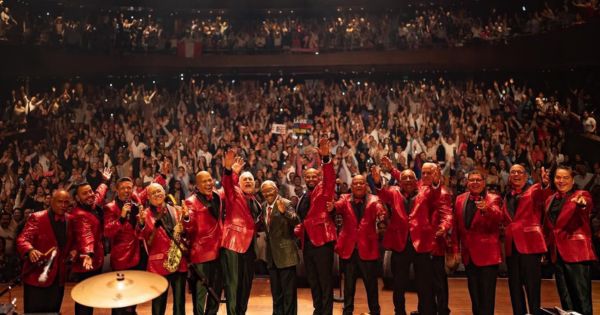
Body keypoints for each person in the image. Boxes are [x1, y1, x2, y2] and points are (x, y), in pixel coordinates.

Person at [371, 164, 440, 315]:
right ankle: (399, 312)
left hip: (421, 245)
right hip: (399, 245)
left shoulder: (426, 191)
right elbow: (382, 194)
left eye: (411, 177)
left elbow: (436, 194)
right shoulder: (393, 192)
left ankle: (426, 312)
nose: (408, 180)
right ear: (399, 182)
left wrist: (436, 182)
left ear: (417, 180)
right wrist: (377, 182)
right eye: (404, 178)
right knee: (398, 285)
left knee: (424, 285)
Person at [544, 165, 596, 315]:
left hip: (577, 254)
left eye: (565, 177)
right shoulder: (550, 199)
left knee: (581, 299)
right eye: (558, 177)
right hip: (557, 254)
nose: (561, 181)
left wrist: (582, 204)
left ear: (572, 180)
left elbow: (585, 205)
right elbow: (549, 227)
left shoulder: (581, 194)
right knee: (565, 299)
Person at [294, 138, 337, 315]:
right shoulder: (303, 196)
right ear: (304, 179)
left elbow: (330, 177)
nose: (311, 178)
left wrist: (325, 159)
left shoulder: (324, 189)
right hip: (308, 244)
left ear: (319, 177)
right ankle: (318, 310)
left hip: (322, 241)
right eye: (308, 176)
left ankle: (326, 312)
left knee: (325, 281)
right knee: (313, 280)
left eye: (314, 176)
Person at [452, 170, 503, 315]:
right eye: (471, 180)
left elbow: (499, 217)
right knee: (475, 297)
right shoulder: (460, 199)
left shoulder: (493, 198)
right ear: (467, 182)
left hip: (488, 256)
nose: (474, 183)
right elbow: (456, 227)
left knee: (487, 298)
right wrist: (455, 250)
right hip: (468, 256)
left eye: (478, 180)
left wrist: (487, 210)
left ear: (484, 182)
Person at [16, 189, 74, 313]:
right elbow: (22, 239)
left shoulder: (70, 219)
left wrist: (74, 251)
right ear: (51, 201)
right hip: (36, 276)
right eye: (60, 202)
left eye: (66, 202)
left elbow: (72, 243)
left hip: (58, 277)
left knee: (53, 311)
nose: (63, 206)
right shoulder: (37, 217)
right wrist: (30, 250)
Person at [333, 174, 384, 315]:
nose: (359, 185)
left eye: (362, 183)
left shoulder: (374, 200)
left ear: (366, 186)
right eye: (355, 183)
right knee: (349, 287)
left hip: (368, 249)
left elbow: (380, 210)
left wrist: (382, 216)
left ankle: (375, 312)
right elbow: (335, 207)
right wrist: (332, 204)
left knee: (371, 286)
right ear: (351, 186)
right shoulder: (344, 199)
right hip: (349, 251)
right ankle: (347, 312)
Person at [502, 164, 550, 315]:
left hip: (530, 245)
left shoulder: (534, 190)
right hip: (512, 246)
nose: (516, 174)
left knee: (532, 287)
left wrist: (545, 184)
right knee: (515, 288)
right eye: (513, 172)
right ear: (509, 176)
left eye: (519, 172)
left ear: (526, 175)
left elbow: (544, 194)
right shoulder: (507, 195)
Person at [137, 183, 188, 315]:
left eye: (159, 191)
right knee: (158, 305)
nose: (157, 194)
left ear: (164, 192)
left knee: (179, 302)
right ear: (148, 197)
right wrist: (141, 224)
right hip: (158, 265)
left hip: (178, 260)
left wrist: (185, 220)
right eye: (153, 193)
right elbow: (141, 236)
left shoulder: (176, 209)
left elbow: (187, 232)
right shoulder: (146, 214)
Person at [221, 149, 260, 315]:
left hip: (249, 248)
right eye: (245, 179)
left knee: (245, 285)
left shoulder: (256, 202)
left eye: (251, 179)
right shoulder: (234, 194)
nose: (248, 182)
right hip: (233, 245)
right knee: (233, 285)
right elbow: (228, 184)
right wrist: (230, 171)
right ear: (239, 183)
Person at [71, 167, 111, 315]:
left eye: (90, 191)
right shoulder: (79, 214)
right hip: (86, 262)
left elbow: (98, 195)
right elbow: (85, 235)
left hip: (96, 259)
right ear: (77, 198)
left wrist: (104, 182)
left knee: (90, 296)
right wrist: (88, 253)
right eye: (85, 193)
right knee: (84, 299)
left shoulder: (91, 204)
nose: (90, 195)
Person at [103, 177, 147, 315]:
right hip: (121, 257)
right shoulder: (111, 207)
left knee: (133, 293)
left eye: (129, 188)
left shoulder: (135, 205)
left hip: (137, 254)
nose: (126, 191)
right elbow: (107, 232)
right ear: (117, 190)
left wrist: (141, 223)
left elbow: (138, 230)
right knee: (119, 296)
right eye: (123, 188)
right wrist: (121, 218)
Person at [184, 171, 224, 315]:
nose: (208, 184)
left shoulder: (217, 196)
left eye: (209, 180)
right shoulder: (191, 201)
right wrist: (187, 219)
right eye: (204, 182)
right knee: (200, 293)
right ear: (197, 185)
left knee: (216, 291)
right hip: (201, 254)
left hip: (218, 251)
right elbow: (189, 228)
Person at [260, 180, 300, 315]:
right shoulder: (263, 206)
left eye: (270, 190)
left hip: (286, 255)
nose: (267, 193)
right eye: (264, 191)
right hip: (272, 257)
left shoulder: (286, 203)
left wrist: (284, 213)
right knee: (276, 293)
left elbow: (296, 221)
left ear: (276, 190)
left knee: (289, 294)